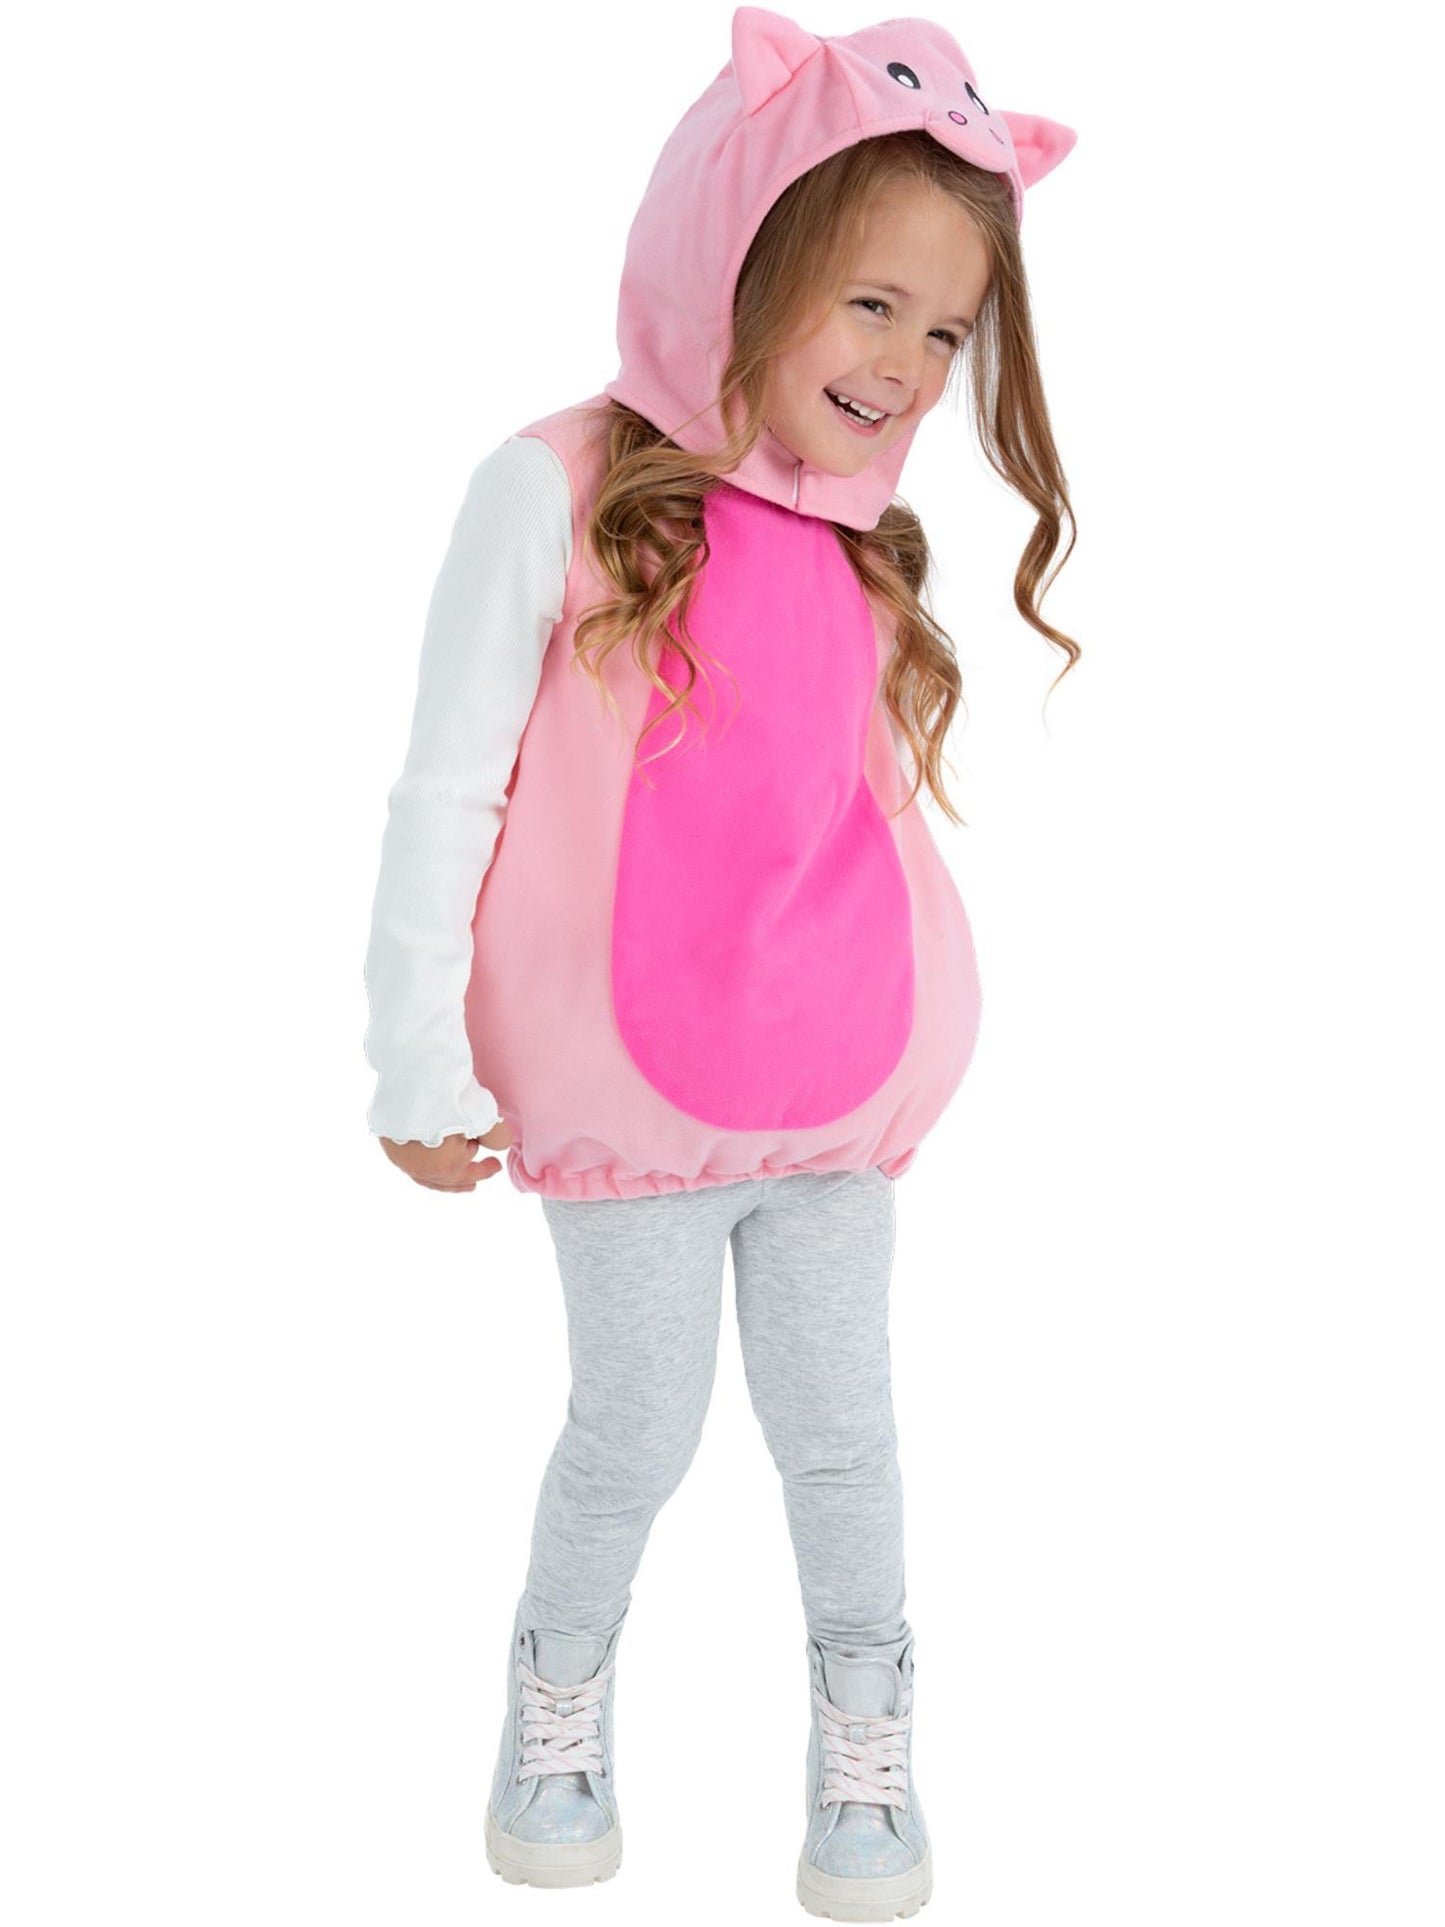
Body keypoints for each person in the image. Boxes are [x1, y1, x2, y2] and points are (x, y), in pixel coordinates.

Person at [361, 6, 1078, 1916]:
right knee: (635, 1431)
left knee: (847, 1444)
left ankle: (866, 1738)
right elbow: (449, 785)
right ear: (732, 258)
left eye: (945, 333)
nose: (906, 365)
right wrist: (417, 1063)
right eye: (870, 305)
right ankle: (555, 1702)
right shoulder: (555, 487)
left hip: (835, 1093)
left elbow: (839, 822)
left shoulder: (859, 541)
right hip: (633, 1104)